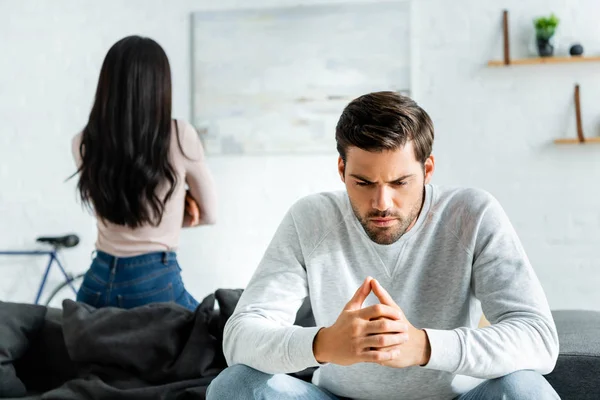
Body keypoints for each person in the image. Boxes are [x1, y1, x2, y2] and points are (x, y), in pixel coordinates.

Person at [206, 91, 559, 399]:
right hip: (335, 396)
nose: (382, 203)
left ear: (428, 169)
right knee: (233, 386)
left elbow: (539, 339)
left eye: (400, 182)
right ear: (341, 170)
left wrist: (422, 346)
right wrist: (324, 344)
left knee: (526, 389)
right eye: (363, 182)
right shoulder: (311, 218)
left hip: (452, 399)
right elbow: (240, 336)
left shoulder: (472, 214)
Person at [70, 35, 217, 311]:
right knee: (219, 342)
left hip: (97, 282)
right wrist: (175, 212)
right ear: (159, 86)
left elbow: (117, 209)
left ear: (107, 84)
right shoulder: (179, 134)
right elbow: (210, 214)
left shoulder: (83, 141)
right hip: (155, 281)